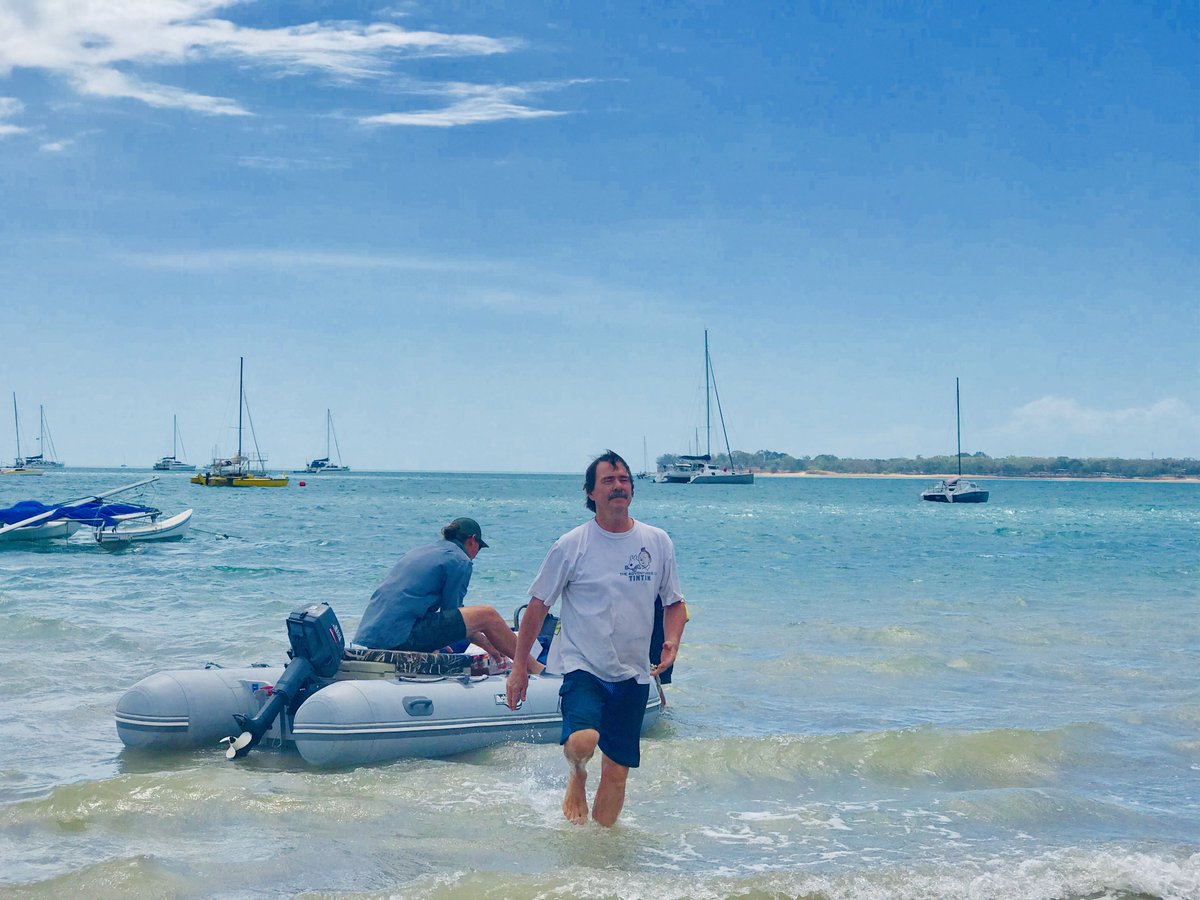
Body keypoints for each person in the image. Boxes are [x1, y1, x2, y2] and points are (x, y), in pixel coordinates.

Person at [506, 450, 687, 827]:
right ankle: (576, 773)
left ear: (633, 491)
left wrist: (672, 640)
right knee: (584, 741)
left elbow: (674, 603)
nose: (618, 486)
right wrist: (518, 669)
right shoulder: (571, 545)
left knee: (618, 773)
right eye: (608, 481)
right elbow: (537, 607)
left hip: (634, 673)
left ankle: (602, 854)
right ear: (590, 494)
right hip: (583, 665)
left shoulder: (657, 541)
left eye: (624, 480)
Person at [355, 517, 542, 670]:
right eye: (478, 548)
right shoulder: (460, 560)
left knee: (474, 619)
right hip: (399, 637)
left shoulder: (422, 551)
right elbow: (453, 614)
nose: (476, 553)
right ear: (472, 540)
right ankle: (534, 667)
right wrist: (489, 645)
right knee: (487, 614)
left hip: (371, 637)